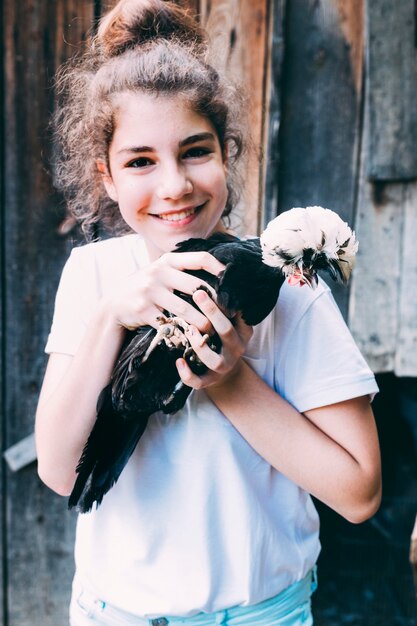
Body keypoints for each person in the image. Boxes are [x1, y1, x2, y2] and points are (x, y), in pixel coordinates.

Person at [35, 1, 382, 624]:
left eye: (195, 151)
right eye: (140, 160)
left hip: (257, 615)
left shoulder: (292, 292)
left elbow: (360, 493)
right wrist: (114, 318)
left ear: (228, 153)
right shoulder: (93, 277)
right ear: (107, 177)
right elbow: (62, 472)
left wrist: (231, 381)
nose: (174, 185)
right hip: (111, 613)